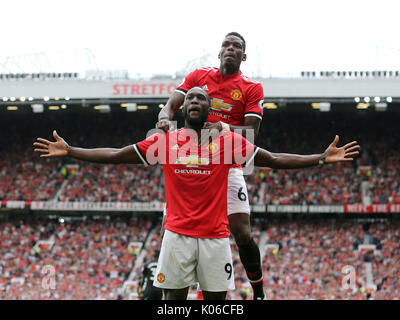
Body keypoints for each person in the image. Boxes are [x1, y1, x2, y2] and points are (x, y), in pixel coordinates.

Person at [33, 87, 360, 300]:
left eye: (201, 99)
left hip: (216, 239)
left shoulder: (230, 143)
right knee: (171, 304)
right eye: (189, 99)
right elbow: (117, 155)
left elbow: (273, 159)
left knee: (217, 306)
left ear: (208, 110)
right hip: (176, 237)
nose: (194, 102)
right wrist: (72, 151)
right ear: (181, 108)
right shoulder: (165, 142)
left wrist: (320, 158)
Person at [157, 32, 267, 299]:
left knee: (241, 231)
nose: (231, 49)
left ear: (244, 55)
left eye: (237, 46)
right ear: (219, 52)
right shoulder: (198, 77)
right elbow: (172, 104)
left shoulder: (252, 88)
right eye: (226, 45)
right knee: (172, 228)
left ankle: (259, 291)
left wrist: (223, 127)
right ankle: (169, 292)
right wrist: (163, 116)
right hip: (190, 161)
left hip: (226, 164)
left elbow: (252, 131)